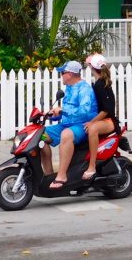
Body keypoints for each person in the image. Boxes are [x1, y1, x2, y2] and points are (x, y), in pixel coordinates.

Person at [41, 60, 97, 188]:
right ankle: (49, 175)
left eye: (63, 73)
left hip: (82, 125)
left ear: (70, 74)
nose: (61, 75)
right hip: (67, 124)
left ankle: (62, 176)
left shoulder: (84, 89)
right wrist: (55, 114)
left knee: (66, 135)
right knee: (40, 136)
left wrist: (63, 111)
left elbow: (84, 111)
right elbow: (67, 113)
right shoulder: (69, 88)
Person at [83, 53, 120, 180]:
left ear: (92, 68)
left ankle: (92, 166)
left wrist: (91, 122)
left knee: (92, 129)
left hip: (109, 120)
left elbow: (106, 110)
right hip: (103, 118)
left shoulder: (100, 84)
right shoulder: (99, 82)